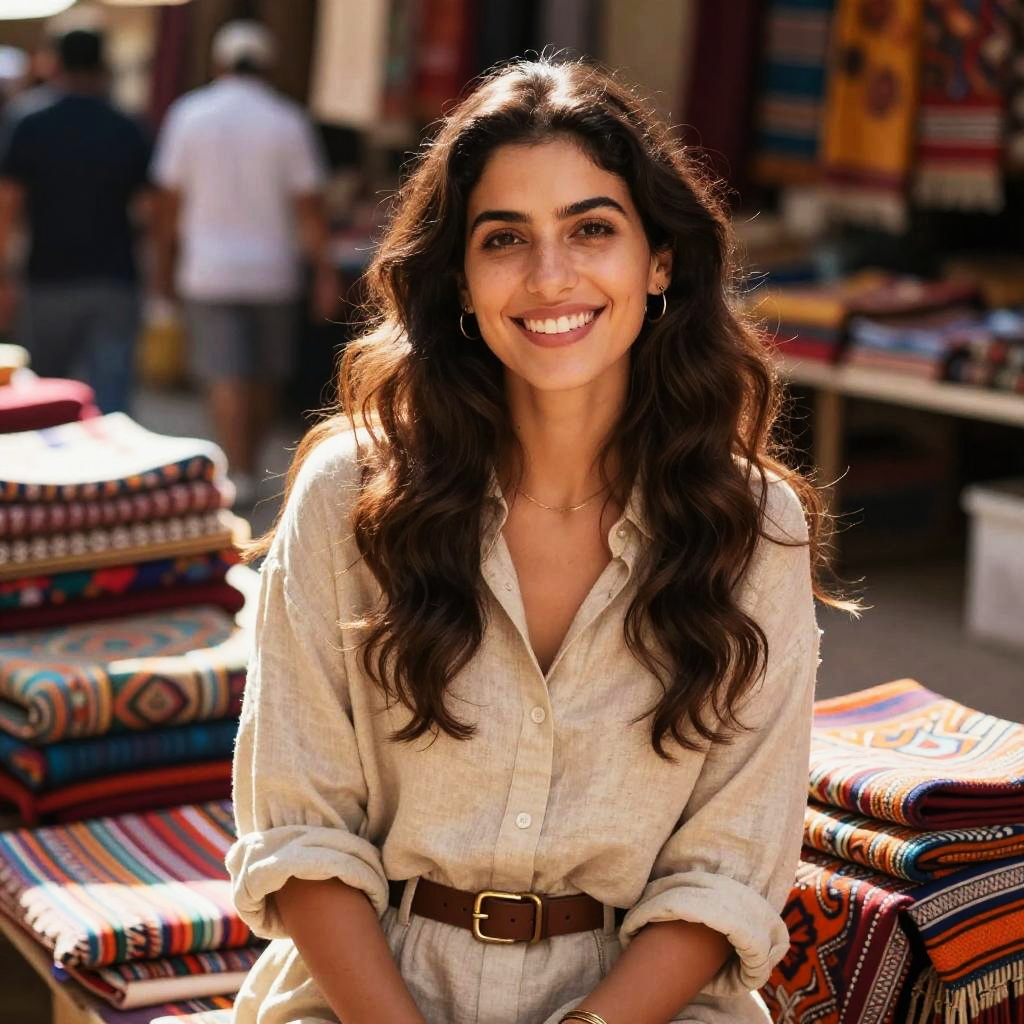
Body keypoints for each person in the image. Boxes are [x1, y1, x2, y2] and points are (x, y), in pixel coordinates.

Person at [227, 57, 838, 1024]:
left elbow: (725, 867)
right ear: (461, 283)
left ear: (659, 261)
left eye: (593, 228)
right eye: (504, 238)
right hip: (365, 995)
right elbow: (301, 828)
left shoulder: (754, 529)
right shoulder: (349, 495)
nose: (551, 275)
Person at [151, 20, 338, 507]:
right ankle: (251, 461)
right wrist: (323, 271)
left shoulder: (188, 115)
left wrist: (163, 267)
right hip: (272, 271)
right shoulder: (287, 120)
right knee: (265, 374)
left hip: (208, 270)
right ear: (268, 65)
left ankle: (239, 467)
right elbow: (310, 208)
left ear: (218, 63)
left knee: (225, 373)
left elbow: (167, 202)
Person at [0, 27, 151, 413]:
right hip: (115, 278)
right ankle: (116, 473)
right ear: (103, 65)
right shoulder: (127, 125)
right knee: (111, 400)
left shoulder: (28, 120)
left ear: (55, 62)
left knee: (42, 400)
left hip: (48, 278)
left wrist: (3, 273)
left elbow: (8, 204)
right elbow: (150, 208)